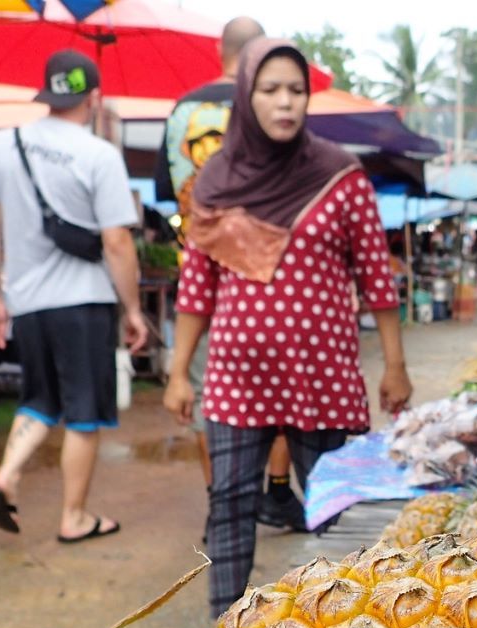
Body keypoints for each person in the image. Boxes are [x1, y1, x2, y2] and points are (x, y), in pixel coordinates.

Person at [162, 38, 412, 616]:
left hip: (322, 376)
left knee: (338, 510)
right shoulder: (215, 181)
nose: (285, 103)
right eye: (270, 90)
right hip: (235, 378)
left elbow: (377, 276)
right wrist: (178, 373)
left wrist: (395, 366)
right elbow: (197, 288)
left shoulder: (340, 176)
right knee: (228, 503)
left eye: (296, 91)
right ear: (247, 98)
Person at [0, 50, 148, 540]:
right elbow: (117, 242)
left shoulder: (2, 146)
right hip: (85, 303)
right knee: (84, 412)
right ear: (93, 97)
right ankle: (74, 517)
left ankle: (6, 475)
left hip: (28, 303)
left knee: (40, 398)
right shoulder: (99, 154)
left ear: (46, 92)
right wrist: (133, 309)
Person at [155, 17, 306, 531]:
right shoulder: (277, 108)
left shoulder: (182, 110)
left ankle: (221, 502)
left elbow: (169, 192)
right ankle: (278, 493)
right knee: (283, 386)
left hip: (198, 274)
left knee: (209, 392)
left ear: (220, 52)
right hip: (271, 282)